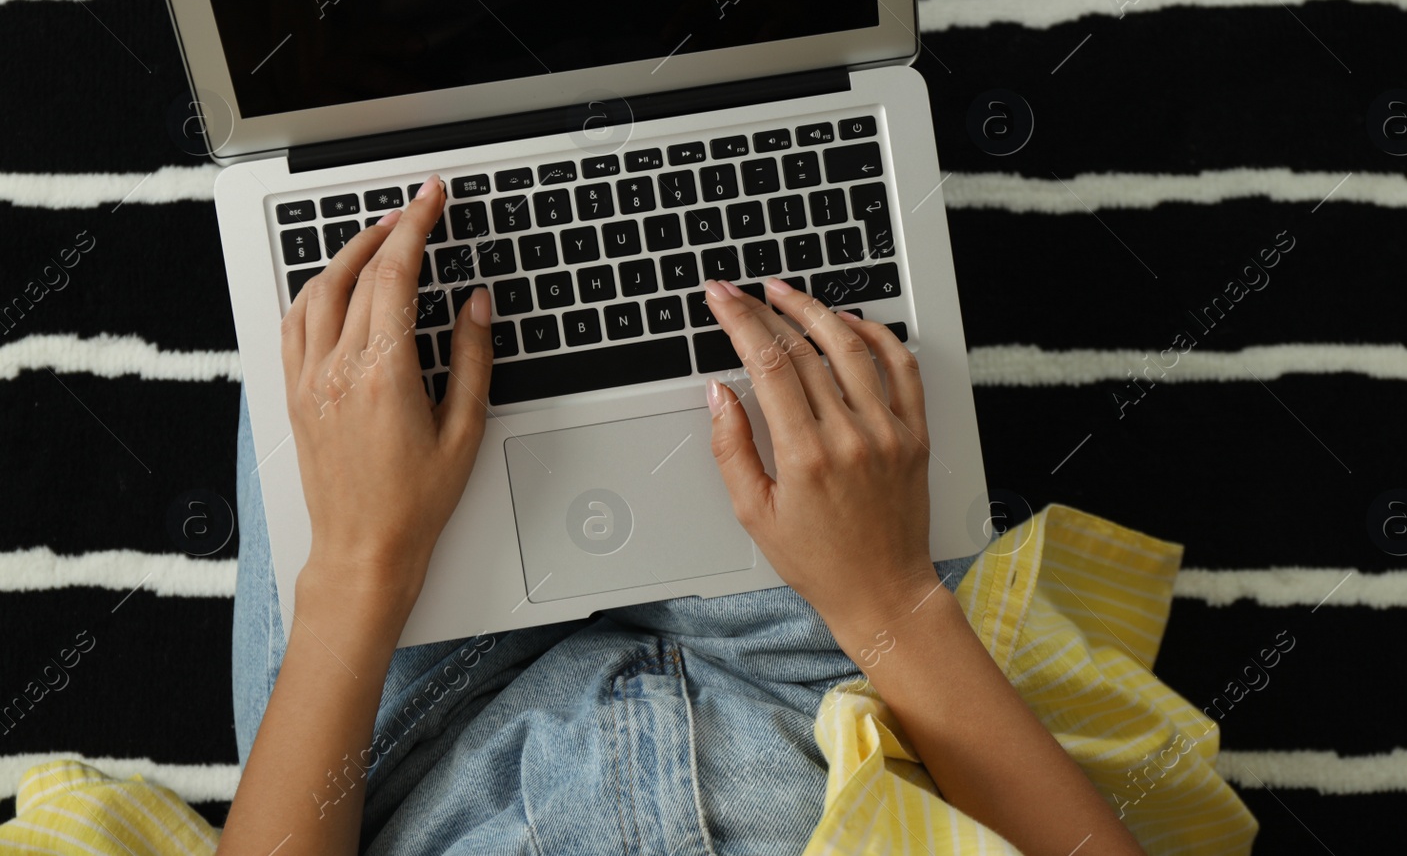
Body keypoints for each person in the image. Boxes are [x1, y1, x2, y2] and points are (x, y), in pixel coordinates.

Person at [2, 172, 1257, 854]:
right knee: (766, 209)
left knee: (361, 265)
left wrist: (363, 565)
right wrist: (886, 596)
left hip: (386, 765)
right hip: (830, 695)